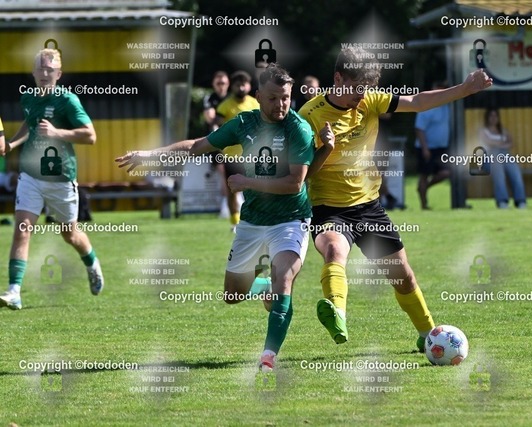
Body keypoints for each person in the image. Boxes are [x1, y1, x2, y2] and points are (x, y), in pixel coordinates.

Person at [116, 64, 317, 373]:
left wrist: (247, 182)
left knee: (285, 281)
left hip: (291, 219)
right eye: (273, 98)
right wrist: (150, 155)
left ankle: (268, 357)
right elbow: (197, 146)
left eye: (286, 98)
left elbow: (294, 183)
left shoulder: (298, 128)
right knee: (233, 295)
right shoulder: (243, 123)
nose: (281, 105)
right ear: (258, 96)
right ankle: (264, 286)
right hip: (253, 220)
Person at [298, 47, 491, 351]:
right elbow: (302, 174)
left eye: (366, 89)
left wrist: (465, 89)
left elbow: (417, 102)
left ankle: (428, 335)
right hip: (329, 210)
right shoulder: (309, 116)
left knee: (404, 278)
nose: (361, 96)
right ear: (338, 78)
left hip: (369, 208)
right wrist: (325, 149)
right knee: (334, 251)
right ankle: (337, 314)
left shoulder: (370, 101)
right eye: (357, 88)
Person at [0, 47, 104, 311]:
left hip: (61, 178)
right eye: (40, 68)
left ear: (59, 74)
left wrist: (58, 133)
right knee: (22, 228)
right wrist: (11, 145)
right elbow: (30, 123)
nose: (44, 73)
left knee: (69, 234)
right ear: (33, 72)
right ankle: (14, 291)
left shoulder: (68, 100)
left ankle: (92, 263)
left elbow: (90, 135)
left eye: (50, 69)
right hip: (31, 175)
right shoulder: (28, 98)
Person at [216, 70, 261, 231]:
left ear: (249, 86)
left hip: (252, 155)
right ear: (232, 86)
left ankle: (254, 221)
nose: (241, 88)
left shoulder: (255, 104)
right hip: (231, 156)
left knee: (256, 189)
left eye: (244, 84)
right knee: (232, 191)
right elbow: (218, 128)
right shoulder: (224, 106)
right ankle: (235, 222)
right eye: (237, 85)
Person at [479, 108, 527, 209]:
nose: (493, 118)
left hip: (504, 155)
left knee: (515, 172)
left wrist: (497, 144)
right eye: (491, 116)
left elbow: (511, 143)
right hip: (489, 157)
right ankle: (502, 201)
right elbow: (488, 143)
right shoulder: (483, 131)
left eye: (495, 116)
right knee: (498, 172)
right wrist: (501, 144)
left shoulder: (503, 131)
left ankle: (520, 201)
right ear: (487, 118)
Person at [414, 81, 451, 210]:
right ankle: (424, 205)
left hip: (441, 147)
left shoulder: (446, 105)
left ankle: (424, 188)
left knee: (446, 172)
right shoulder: (426, 106)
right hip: (426, 148)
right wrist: (425, 148)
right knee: (424, 175)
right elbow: (419, 129)